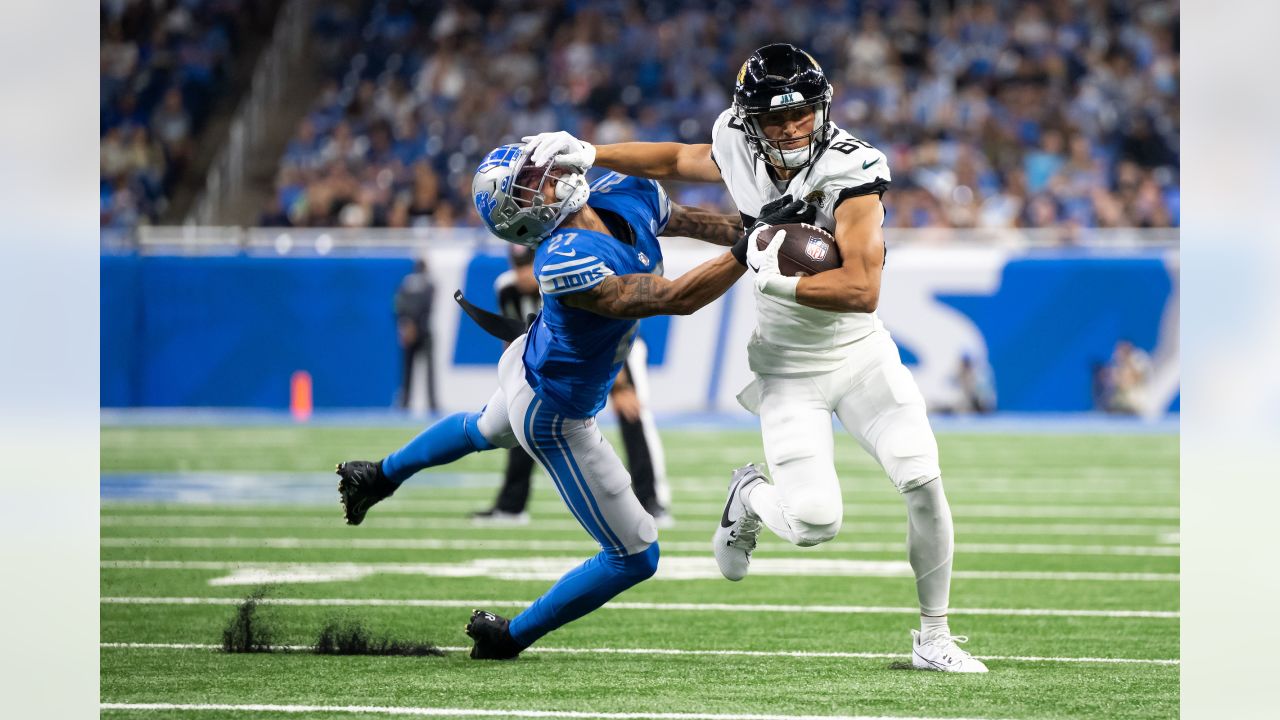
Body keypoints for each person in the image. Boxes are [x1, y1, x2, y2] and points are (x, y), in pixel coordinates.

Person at [523, 43, 988, 672]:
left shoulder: (853, 171)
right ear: (749, 123)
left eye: (803, 115)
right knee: (814, 522)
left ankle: (934, 636)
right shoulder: (736, 142)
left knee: (923, 481)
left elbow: (862, 290)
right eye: (776, 120)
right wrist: (591, 151)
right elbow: (680, 158)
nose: (794, 129)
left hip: (860, 352)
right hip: (787, 365)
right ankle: (748, 496)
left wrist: (777, 279)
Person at [336, 141, 774, 660]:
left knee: (482, 428)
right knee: (635, 555)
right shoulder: (563, 258)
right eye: (532, 181)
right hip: (553, 411)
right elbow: (671, 298)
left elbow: (687, 221)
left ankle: (380, 474)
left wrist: (757, 229)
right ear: (523, 216)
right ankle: (508, 638)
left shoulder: (619, 188)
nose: (551, 175)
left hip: (530, 357)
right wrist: (751, 251)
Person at [472, 249, 673, 527]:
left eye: (526, 265)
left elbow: (606, 329)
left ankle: (651, 500)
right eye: (515, 265)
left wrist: (621, 385)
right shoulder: (508, 288)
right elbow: (514, 339)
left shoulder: (564, 278)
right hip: (557, 352)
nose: (520, 274)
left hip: (616, 347)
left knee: (633, 414)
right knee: (525, 409)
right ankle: (511, 505)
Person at [394, 257, 439, 413]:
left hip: (409, 331)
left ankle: (405, 402)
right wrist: (417, 323)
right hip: (423, 330)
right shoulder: (429, 284)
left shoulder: (405, 283)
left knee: (407, 370)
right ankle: (432, 403)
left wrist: (406, 323)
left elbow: (397, 305)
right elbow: (428, 306)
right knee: (429, 371)